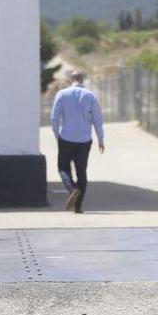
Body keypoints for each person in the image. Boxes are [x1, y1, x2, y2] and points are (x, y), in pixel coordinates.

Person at [50, 71, 105, 213]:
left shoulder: (62, 94)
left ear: (70, 79)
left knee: (63, 167)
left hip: (67, 138)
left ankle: (71, 189)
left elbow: (54, 118)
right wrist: (100, 139)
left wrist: (57, 136)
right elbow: (97, 119)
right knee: (81, 172)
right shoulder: (90, 96)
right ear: (82, 80)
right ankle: (78, 207)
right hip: (84, 140)